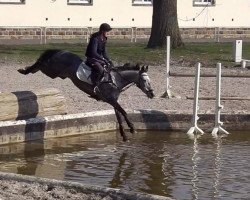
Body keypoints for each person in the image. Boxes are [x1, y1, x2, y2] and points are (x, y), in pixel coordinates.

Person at [85, 23, 113, 89]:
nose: (108, 33)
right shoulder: (95, 39)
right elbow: (93, 52)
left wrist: (109, 60)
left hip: (98, 58)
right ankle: (95, 85)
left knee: (110, 66)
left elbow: (104, 52)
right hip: (91, 58)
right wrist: (103, 59)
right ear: (103, 31)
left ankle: (105, 83)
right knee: (100, 69)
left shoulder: (104, 39)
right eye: (107, 31)